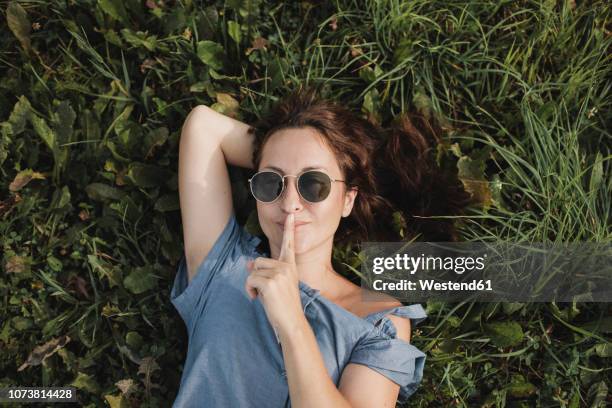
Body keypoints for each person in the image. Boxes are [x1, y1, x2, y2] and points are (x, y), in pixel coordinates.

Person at [170, 87, 471, 407]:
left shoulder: (379, 320)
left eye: (314, 184)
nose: (290, 204)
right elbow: (204, 128)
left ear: (347, 200)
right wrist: (292, 154)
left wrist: (292, 324)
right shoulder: (221, 268)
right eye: (271, 183)